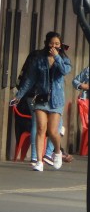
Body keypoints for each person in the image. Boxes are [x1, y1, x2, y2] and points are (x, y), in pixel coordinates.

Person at [11, 31, 72, 172]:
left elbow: (64, 71)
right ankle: (39, 161)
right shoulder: (39, 59)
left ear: (60, 45)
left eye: (57, 44)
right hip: (41, 98)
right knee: (40, 129)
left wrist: (57, 57)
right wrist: (19, 95)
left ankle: (57, 151)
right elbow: (30, 79)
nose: (54, 46)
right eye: (52, 43)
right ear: (47, 43)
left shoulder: (63, 59)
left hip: (56, 101)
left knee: (52, 131)